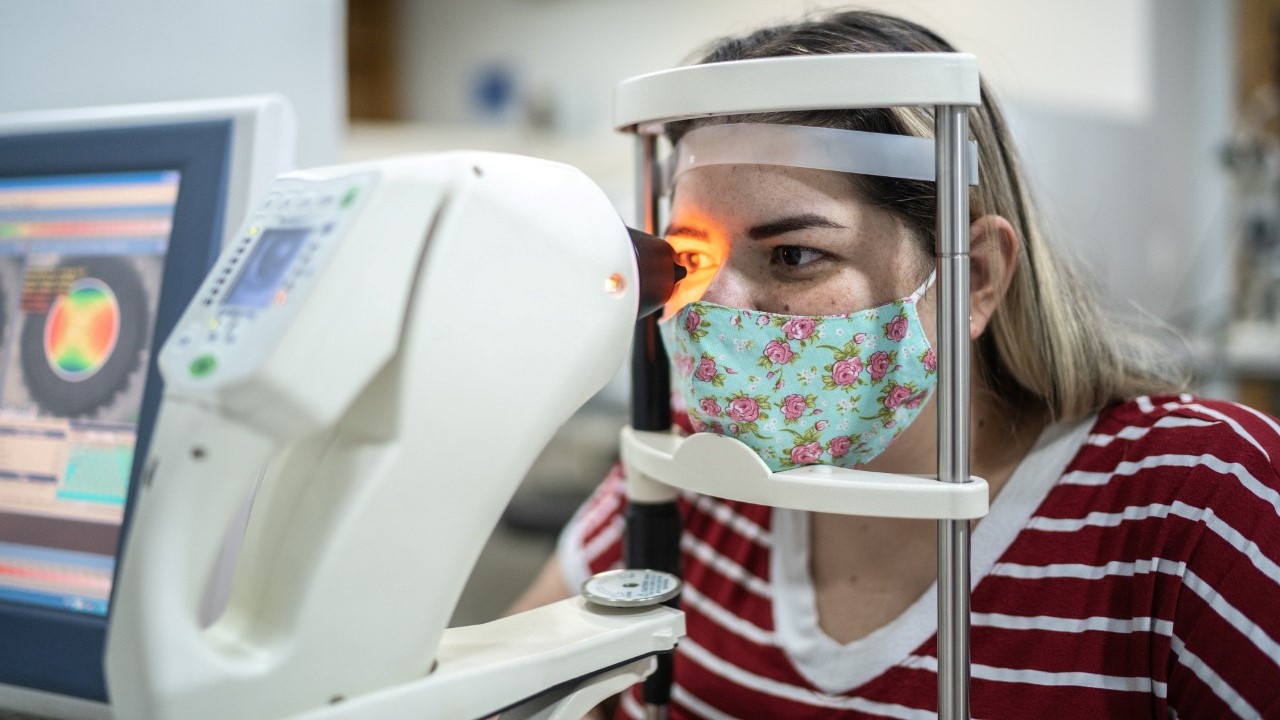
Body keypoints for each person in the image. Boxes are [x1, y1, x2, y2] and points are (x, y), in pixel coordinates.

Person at [512, 10, 1280, 719]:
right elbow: (511, 680)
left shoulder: (1197, 505)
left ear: (975, 276)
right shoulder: (686, 470)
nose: (720, 314)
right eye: (692, 260)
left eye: (795, 255)